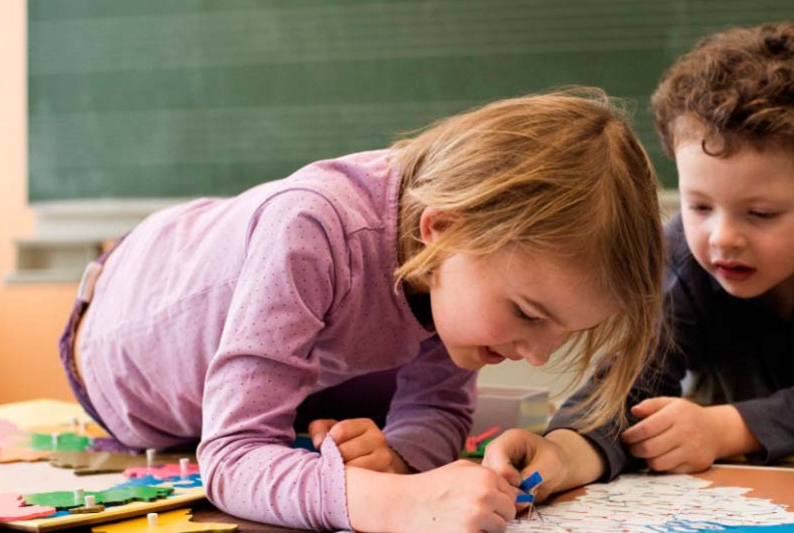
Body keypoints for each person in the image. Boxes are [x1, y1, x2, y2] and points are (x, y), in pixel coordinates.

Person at [59, 87, 664, 532]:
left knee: (375, 416)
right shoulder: (313, 228)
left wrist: (399, 460)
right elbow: (234, 458)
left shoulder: (456, 269)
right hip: (123, 353)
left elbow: (436, 405)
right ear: (439, 232)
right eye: (530, 314)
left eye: (563, 331)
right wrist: (399, 502)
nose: (537, 355)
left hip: (311, 361)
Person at [483, 21, 794, 504]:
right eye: (699, 206)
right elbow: (630, 384)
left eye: (761, 214)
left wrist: (726, 428)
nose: (722, 238)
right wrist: (564, 453)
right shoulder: (687, 261)